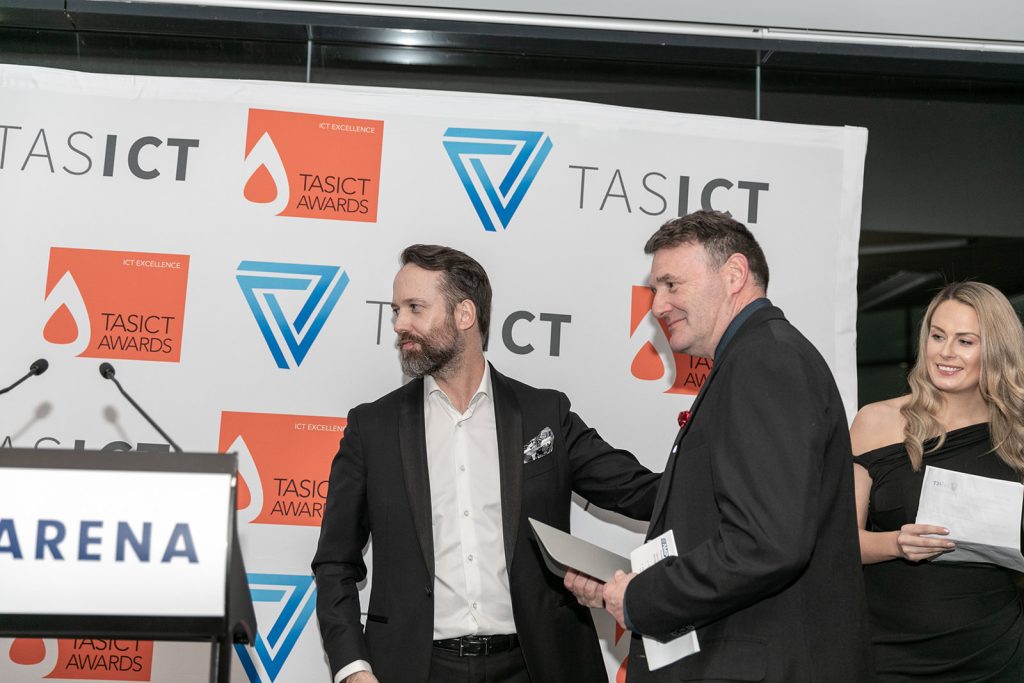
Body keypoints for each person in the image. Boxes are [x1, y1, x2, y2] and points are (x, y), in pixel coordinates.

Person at [311, 244, 660, 683]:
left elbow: (639, 492)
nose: (399, 324)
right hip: (416, 669)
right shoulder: (373, 427)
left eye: (415, 308)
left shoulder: (543, 415)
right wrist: (352, 668)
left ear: (465, 314)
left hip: (537, 667)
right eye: (397, 310)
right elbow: (335, 563)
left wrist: (723, 466)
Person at [566, 210, 872, 682]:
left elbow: (764, 543)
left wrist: (643, 598)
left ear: (734, 274)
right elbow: (719, 522)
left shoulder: (764, 360)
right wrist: (625, 586)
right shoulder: (754, 356)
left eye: (671, 285)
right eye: (655, 290)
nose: (657, 306)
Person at [851, 281, 1024, 681]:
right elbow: (839, 541)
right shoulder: (876, 422)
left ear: (995, 350)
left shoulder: (1016, 433)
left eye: (965, 341)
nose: (945, 352)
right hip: (891, 654)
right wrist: (896, 543)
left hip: (996, 652)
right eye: (937, 336)